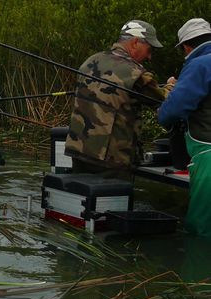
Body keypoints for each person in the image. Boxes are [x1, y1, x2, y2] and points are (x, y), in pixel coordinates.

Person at [65, 20, 172, 178]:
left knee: (82, 198)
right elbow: (164, 100)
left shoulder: (90, 61)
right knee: (112, 202)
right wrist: (171, 86)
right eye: (149, 49)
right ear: (135, 42)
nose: (149, 56)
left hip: (80, 151)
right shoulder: (136, 73)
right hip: (111, 159)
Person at [158, 18, 211, 238]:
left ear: (186, 46)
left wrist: (172, 90)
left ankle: (197, 272)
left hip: (208, 155)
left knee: (201, 228)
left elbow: (172, 111)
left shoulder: (199, 64)